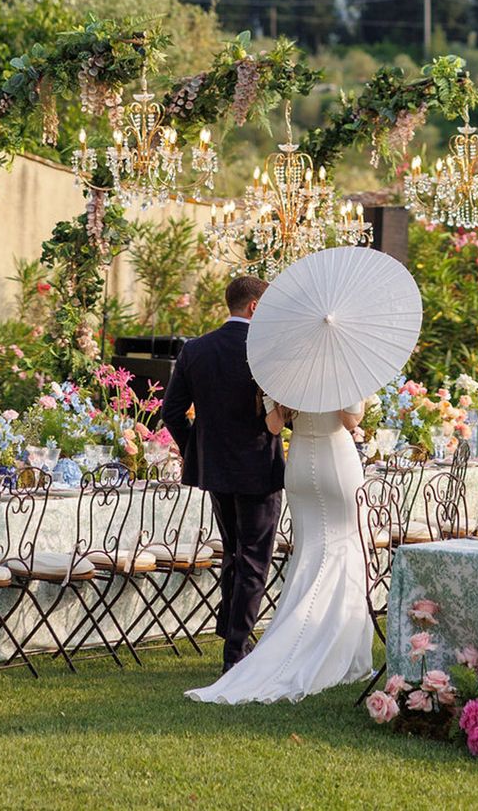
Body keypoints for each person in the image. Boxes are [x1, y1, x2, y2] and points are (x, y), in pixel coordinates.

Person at [185, 395, 373, 704]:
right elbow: (351, 421)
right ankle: (334, 645)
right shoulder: (341, 370)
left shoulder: (282, 371)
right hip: (336, 463)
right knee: (344, 548)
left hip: (298, 465)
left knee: (310, 555)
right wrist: (357, 393)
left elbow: (273, 427)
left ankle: (308, 636)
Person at [162, 276, 285, 673]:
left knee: (234, 550)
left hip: (215, 469)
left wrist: (198, 447)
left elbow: (171, 412)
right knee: (254, 559)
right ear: (253, 308)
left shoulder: (196, 349)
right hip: (257, 469)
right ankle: (235, 651)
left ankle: (229, 626)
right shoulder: (266, 351)